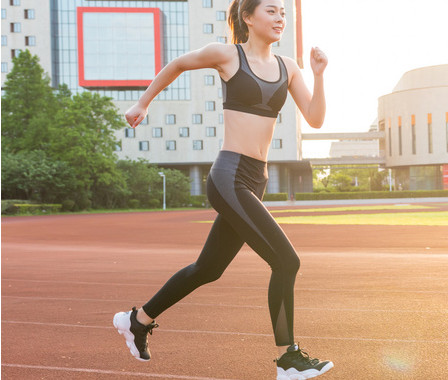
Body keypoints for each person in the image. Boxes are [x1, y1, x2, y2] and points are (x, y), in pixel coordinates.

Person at [112, 0, 333, 379]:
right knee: (286, 261)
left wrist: (319, 74)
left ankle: (138, 318)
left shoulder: (289, 68)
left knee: (208, 268)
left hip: (256, 179)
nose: (280, 18)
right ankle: (288, 359)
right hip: (229, 176)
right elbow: (179, 64)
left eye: (282, 12)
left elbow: (314, 118)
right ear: (248, 17)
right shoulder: (227, 55)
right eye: (271, 11)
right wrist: (143, 102)